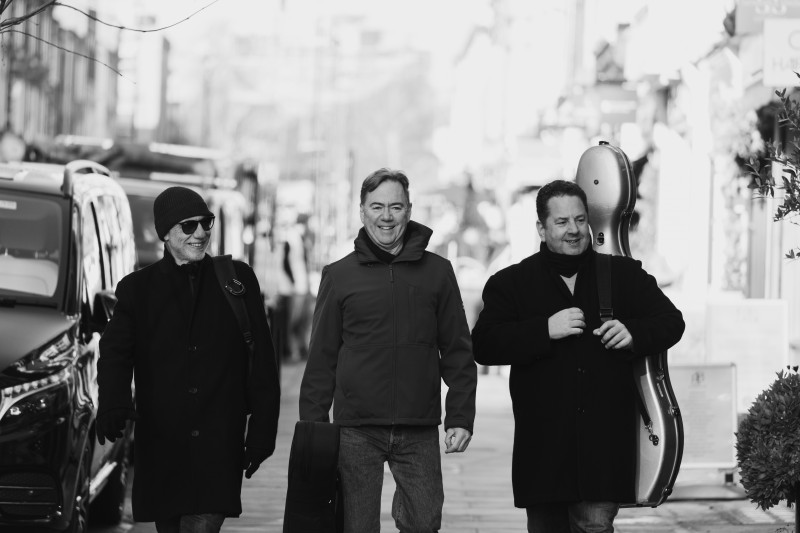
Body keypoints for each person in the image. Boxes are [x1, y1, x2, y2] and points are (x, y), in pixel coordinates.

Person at [471, 179, 684, 533]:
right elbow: (484, 345)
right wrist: (543, 330)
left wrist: (634, 332)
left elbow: (672, 321)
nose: (574, 229)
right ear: (541, 228)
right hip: (544, 453)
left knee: (595, 526)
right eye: (562, 222)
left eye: (580, 219)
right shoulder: (511, 282)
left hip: (604, 451)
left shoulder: (623, 274)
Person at [299, 168, 478, 532]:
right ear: (362, 211)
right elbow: (321, 359)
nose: (386, 216)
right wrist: (314, 431)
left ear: (409, 210)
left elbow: (458, 351)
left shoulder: (438, 273)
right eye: (377, 207)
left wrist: (460, 416)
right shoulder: (338, 276)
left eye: (395, 207)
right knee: (357, 527)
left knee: (424, 523)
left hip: (419, 427)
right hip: (356, 430)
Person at [96, 186, 281, 533]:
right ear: (165, 233)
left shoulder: (238, 280)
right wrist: (113, 402)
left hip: (219, 447)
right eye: (188, 226)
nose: (200, 233)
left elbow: (263, 363)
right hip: (163, 447)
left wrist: (262, 432)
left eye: (206, 223)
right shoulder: (137, 289)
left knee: (202, 526)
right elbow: (115, 352)